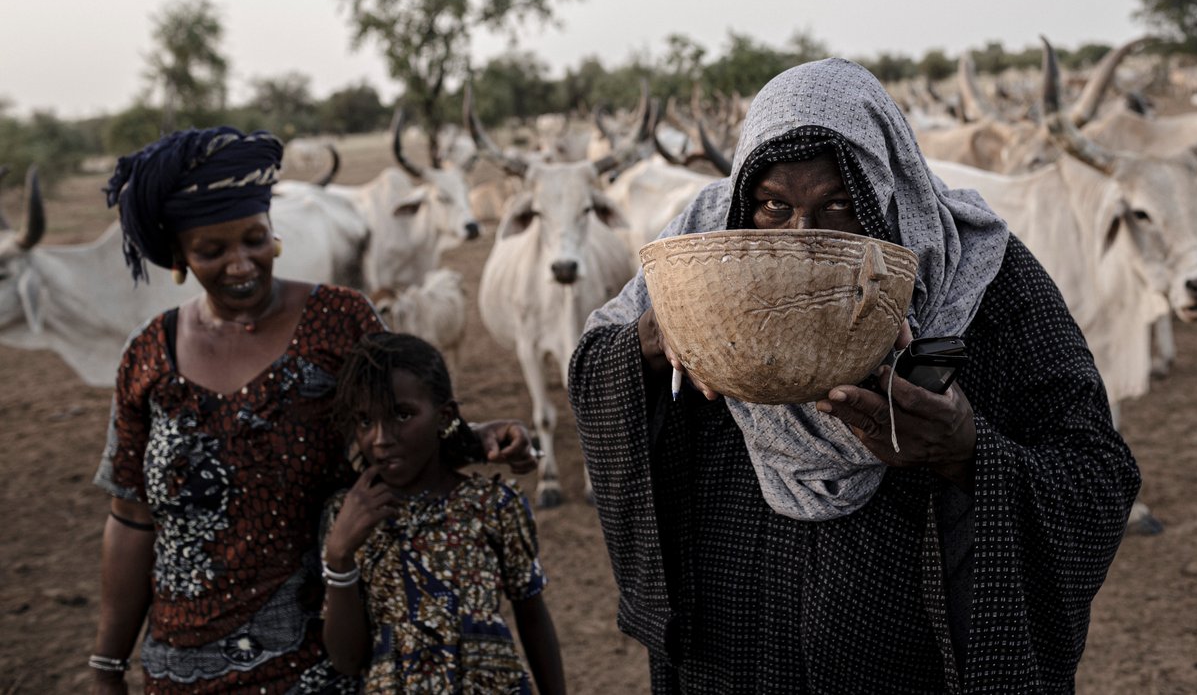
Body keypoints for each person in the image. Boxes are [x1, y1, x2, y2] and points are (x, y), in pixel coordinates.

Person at [568, 58, 1142, 693]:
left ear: (886, 194)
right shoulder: (699, 256)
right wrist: (658, 334)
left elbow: (1097, 474)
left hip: (910, 654)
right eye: (773, 206)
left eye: (839, 204)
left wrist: (965, 450)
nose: (802, 239)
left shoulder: (979, 272)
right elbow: (592, 367)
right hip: (730, 642)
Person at [89, 126, 536, 694]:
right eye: (212, 251)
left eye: (254, 239)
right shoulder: (148, 355)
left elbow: (401, 424)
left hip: (320, 659)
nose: (240, 264)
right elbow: (131, 518)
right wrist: (107, 664)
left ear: (274, 234)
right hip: (179, 667)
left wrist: (475, 437)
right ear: (179, 256)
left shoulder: (340, 321)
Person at [321, 332, 566, 694]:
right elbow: (346, 659)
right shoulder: (347, 519)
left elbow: (532, 618)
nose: (381, 438)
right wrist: (339, 558)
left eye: (402, 415)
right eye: (365, 421)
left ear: (445, 416)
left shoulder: (493, 504)